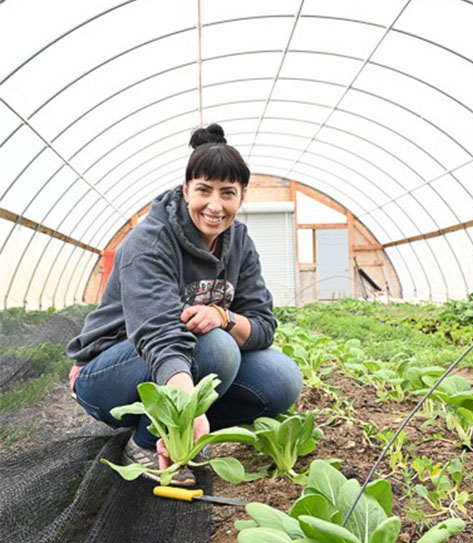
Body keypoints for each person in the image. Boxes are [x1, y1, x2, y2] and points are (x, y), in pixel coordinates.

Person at [66, 124, 303, 486]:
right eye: (204, 191)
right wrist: (187, 409)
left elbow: (262, 325)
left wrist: (222, 315)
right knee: (216, 348)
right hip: (109, 373)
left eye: (228, 193)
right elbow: (160, 336)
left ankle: (184, 435)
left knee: (281, 380)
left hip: (178, 368)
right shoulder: (150, 242)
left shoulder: (239, 242)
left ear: (241, 197)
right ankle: (145, 442)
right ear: (185, 189)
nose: (215, 205)